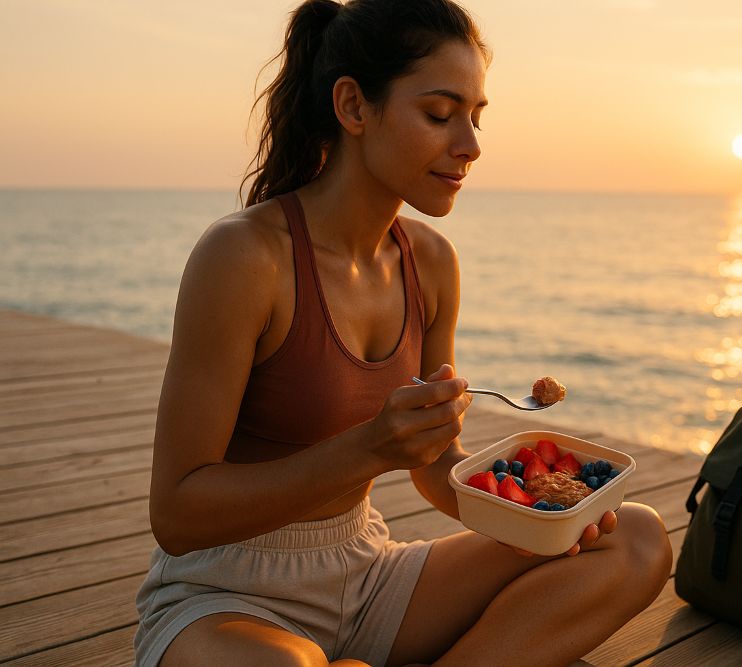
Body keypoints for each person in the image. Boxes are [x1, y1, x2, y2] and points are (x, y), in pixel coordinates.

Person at [133, 1, 673, 665]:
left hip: (367, 578)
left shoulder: (433, 263)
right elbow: (178, 513)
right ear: (355, 107)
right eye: (440, 115)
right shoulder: (245, 257)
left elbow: (433, 468)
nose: (471, 144)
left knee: (638, 538)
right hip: (223, 597)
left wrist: (546, 514)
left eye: (476, 116)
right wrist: (368, 446)